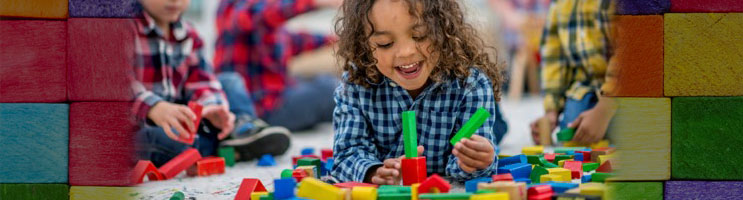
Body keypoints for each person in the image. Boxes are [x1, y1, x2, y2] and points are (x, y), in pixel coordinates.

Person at [331, 0, 508, 183]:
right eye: (385, 43)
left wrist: (476, 161)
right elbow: (346, 155)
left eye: (420, 35)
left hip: (462, 93)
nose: (406, 52)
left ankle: (498, 121)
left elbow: (471, 171)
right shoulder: (355, 84)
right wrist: (373, 172)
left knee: (496, 131)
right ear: (364, 45)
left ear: (443, 29)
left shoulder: (472, 84)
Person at [132, 0, 289, 166]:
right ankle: (219, 146)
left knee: (230, 81)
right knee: (145, 140)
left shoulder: (188, 33)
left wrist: (212, 105)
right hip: (138, 122)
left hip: (182, 114)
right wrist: (154, 107)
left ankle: (240, 128)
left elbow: (200, 77)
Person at [213, 0, 344, 132]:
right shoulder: (234, 8)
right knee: (331, 88)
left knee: (323, 81)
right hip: (261, 109)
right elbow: (259, 15)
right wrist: (314, 2)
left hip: (277, 97)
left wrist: (339, 39)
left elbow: (293, 40)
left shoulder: (269, 22)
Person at [529, 0, 616, 145]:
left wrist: (604, 111)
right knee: (572, 133)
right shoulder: (558, 5)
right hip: (586, 86)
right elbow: (554, 60)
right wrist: (552, 111)